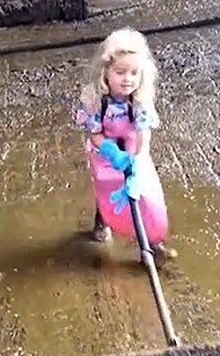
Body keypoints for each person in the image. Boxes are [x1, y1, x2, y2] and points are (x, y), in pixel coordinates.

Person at [73, 27, 177, 264]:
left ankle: (152, 243)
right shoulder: (96, 99)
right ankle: (103, 221)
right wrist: (111, 152)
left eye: (134, 73)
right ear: (105, 71)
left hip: (133, 152)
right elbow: (94, 133)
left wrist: (138, 160)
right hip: (106, 154)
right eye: (120, 72)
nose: (128, 79)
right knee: (108, 193)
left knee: (147, 198)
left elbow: (143, 133)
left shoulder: (138, 98)